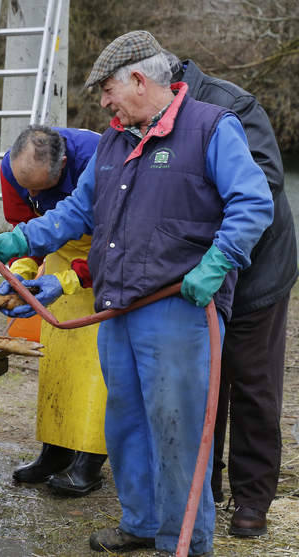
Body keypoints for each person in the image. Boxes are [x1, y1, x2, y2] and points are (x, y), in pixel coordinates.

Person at [0, 31, 274, 556]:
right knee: (127, 422)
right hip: (118, 308)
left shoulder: (210, 128)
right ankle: (141, 521)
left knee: (174, 430)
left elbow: (253, 203)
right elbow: (75, 214)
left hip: (179, 309)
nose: (104, 101)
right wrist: (20, 238)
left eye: (107, 89)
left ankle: (185, 540)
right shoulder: (113, 143)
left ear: (138, 79)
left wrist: (218, 261)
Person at [167, 52, 298, 537]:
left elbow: (265, 183)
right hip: (192, 273)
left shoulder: (235, 107)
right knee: (204, 383)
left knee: (253, 385)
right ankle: (208, 486)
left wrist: (211, 243)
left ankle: (253, 498)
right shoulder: (152, 115)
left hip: (257, 271)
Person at [0, 125, 109, 496]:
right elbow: (23, 228)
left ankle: (90, 459)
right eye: (23, 185)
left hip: (102, 261)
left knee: (96, 363)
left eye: (39, 189)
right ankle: (55, 450)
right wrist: (21, 271)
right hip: (60, 255)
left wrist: (71, 279)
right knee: (58, 357)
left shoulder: (103, 161)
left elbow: (119, 243)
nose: (30, 194)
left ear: (63, 166)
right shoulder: (13, 169)